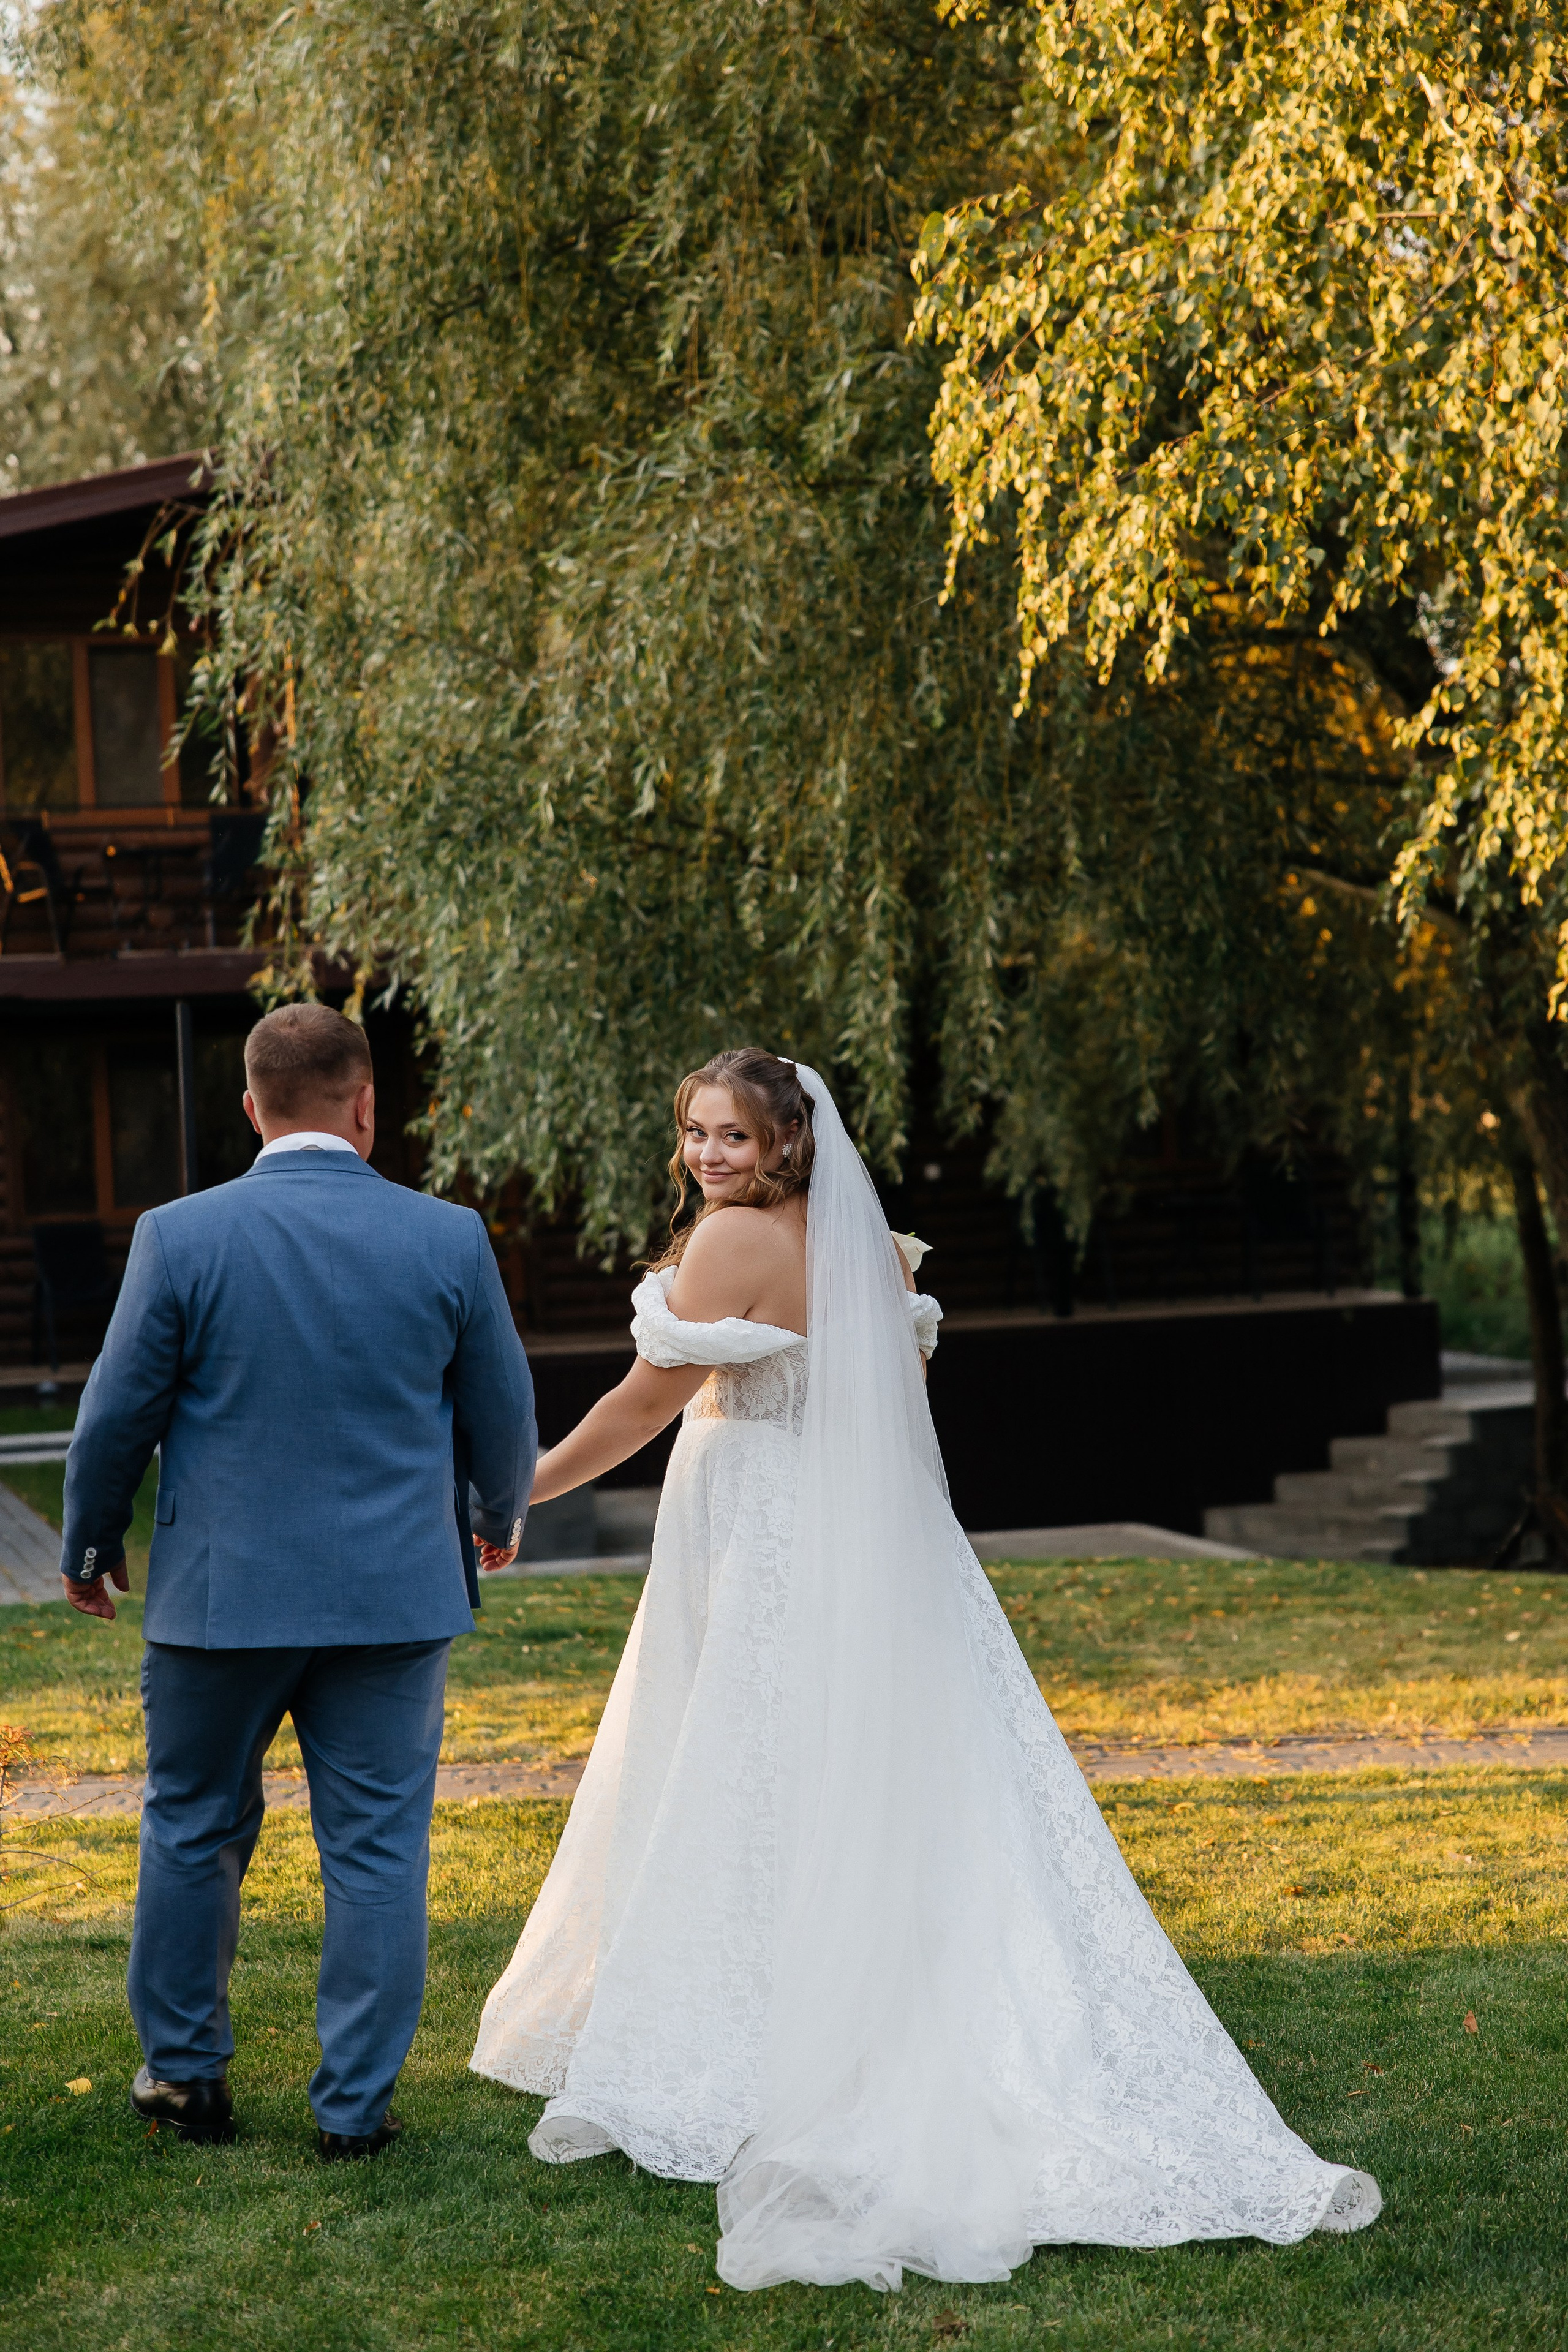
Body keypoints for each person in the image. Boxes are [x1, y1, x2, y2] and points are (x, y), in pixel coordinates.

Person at [471, 1047, 1379, 2291]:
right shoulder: (875, 1250)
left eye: (732, 1135)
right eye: (693, 1132)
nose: (706, 1155)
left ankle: (756, 2037)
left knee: (753, 1773)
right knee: (874, 1782)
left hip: (771, 1535)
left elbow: (639, 1406)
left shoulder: (732, 1243)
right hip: (868, 1539)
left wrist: (515, 1493)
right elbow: (894, 1402)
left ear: (787, 1142)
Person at [60, 1003, 535, 2155]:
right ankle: (355, 2112)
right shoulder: (449, 1235)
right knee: (377, 1848)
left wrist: (89, 1545)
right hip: (393, 1596)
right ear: (366, 1105)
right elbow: (503, 1412)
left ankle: (185, 2081)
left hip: (221, 1597)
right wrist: (494, 1516)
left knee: (192, 1826)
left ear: (251, 1108)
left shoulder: (179, 1235)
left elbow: (114, 1417)